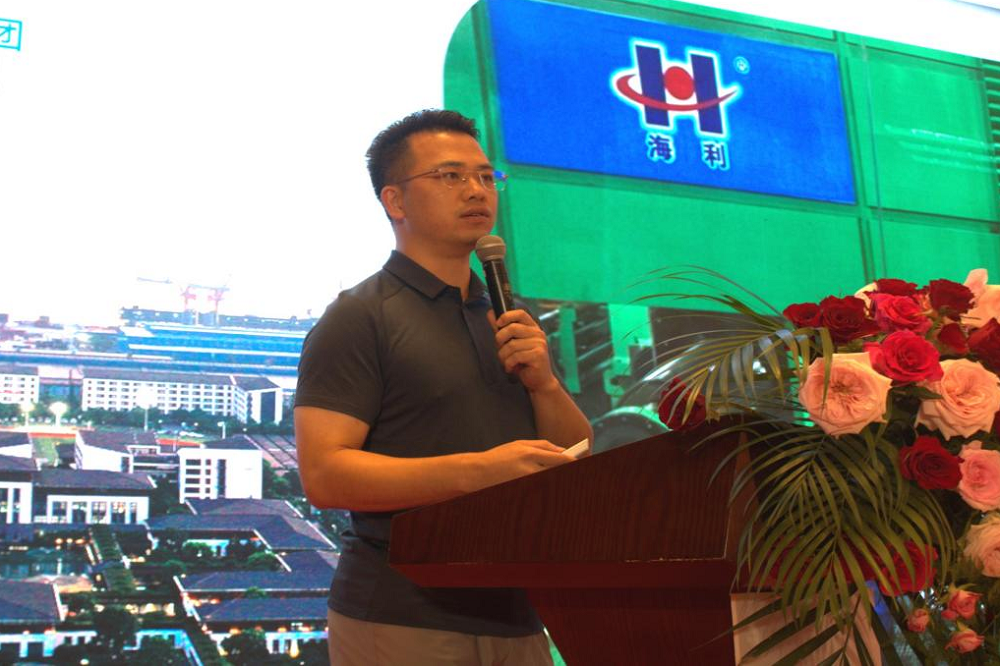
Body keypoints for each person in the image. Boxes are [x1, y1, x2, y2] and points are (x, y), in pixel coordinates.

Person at [294, 109, 593, 666]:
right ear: (395, 201)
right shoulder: (360, 316)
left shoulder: (506, 315)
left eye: (485, 176)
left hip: (517, 613)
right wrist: (480, 472)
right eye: (450, 176)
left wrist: (546, 386)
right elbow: (325, 474)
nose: (476, 190)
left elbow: (571, 453)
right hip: (402, 613)